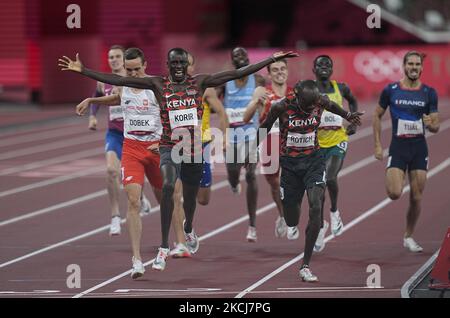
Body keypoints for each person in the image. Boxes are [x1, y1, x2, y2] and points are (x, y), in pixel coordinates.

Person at [60, 48, 299, 271]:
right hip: (168, 147)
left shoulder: (200, 82)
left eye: (181, 63)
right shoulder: (157, 83)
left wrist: (270, 60)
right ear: (167, 65)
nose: (177, 66)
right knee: (168, 187)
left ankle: (188, 228)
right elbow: (120, 81)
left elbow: (237, 73)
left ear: (187, 65)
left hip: (193, 147)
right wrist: (85, 72)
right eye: (173, 62)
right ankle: (164, 247)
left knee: (193, 200)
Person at [255, 80, 363, 282]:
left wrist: (348, 115)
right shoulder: (282, 106)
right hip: (290, 166)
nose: (311, 109)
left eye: (314, 105)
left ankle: (305, 264)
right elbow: (265, 126)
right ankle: (294, 222)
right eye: (307, 106)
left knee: (315, 206)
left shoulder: (318, 101)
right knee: (291, 219)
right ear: (296, 96)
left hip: (314, 162)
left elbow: (332, 106)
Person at [74, 48, 164, 278]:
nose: (132, 74)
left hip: (155, 148)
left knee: (166, 199)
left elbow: (172, 115)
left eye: (136, 69)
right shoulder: (122, 84)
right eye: (129, 69)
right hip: (131, 147)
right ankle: (137, 260)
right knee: (132, 201)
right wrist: (92, 99)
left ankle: (172, 239)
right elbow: (114, 95)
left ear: (145, 65)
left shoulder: (157, 86)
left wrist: (166, 141)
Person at [373, 51, 439, 253]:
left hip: (419, 148)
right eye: (410, 63)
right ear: (404, 66)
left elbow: (435, 126)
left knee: (417, 197)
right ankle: (398, 175)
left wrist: (431, 124)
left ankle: (408, 236)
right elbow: (377, 114)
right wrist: (377, 144)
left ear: (421, 67)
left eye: (417, 64)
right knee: (394, 193)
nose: (414, 67)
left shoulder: (429, 92)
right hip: (398, 147)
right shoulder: (391, 90)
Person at [86, 45, 151, 236]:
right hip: (114, 135)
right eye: (110, 57)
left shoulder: (132, 81)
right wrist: (92, 115)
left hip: (134, 135)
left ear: (124, 60)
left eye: (117, 57)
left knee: (131, 177)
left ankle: (142, 197)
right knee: (111, 170)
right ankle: (115, 216)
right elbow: (96, 96)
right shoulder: (103, 83)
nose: (113, 60)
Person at [169, 52, 228, 257]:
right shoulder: (169, 88)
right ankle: (183, 238)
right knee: (176, 194)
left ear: (193, 67)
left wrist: (224, 137)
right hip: (177, 146)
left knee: (202, 199)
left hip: (200, 145)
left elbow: (221, 112)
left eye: (189, 65)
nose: (185, 68)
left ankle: (188, 223)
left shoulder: (204, 88)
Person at [217, 47, 266, 242]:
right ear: (232, 61)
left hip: (251, 135)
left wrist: (261, 110)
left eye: (243, 55)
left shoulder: (258, 80)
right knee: (232, 172)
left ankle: (252, 225)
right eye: (236, 55)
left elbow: (265, 100)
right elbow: (213, 101)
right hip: (232, 137)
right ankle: (234, 183)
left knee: (252, 174)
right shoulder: (226, 82)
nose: (241, 58)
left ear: (248, 59)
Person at [312, 55, 359, 252]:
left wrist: (353, 123)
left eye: (328, 64)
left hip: (338, 140)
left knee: (330, 178)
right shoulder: (309, 90)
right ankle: (321, 226)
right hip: (316, 144)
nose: (324, 67)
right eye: (320, 64)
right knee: (318, 188)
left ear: (332, 69)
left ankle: (334, 212)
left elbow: (353, 101)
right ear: (313, 69)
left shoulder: (341, 88)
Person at [243, 58, 293, 239]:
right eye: (275, 69)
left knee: (291, 184)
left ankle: (288, 216)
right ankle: (282, 215)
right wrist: (256, 102)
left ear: (287, 71)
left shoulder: (295, 92)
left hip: (291, 142)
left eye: (282, 69)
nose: (280, 72)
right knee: (275, 185)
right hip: (269, 142)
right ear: (269, 74)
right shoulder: (263, 92)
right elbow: (246, 117)